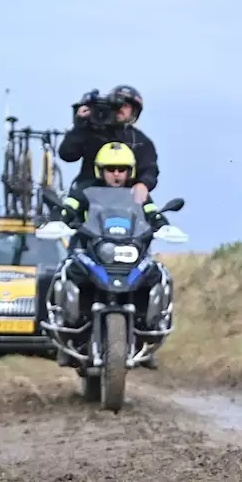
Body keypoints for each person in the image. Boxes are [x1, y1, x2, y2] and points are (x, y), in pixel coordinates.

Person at [57, 141, 170, 370]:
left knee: (158, 274)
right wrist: (59, 220)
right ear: (101, 170)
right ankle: (65, 332)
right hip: (91, 252)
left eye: (122, 169)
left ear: (130, 171)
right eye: (111, 169)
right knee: (65, 272)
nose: (116, 174)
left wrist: (165, 226)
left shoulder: (137, 195)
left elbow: (153, 215)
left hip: (129, 254)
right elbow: (67, 210)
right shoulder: (84, 191)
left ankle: (148, 333)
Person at [59, 85, 160, 205]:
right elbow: (67, 154)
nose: (120, 108)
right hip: (87, 199)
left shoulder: (141, 141)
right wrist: (80, 126)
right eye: (117, 104)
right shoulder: (92, 132)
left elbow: (150, 168)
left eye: (126, 106)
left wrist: (143, 184)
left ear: (134, 111)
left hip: (127, 202)